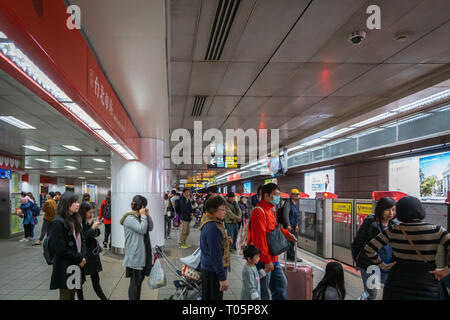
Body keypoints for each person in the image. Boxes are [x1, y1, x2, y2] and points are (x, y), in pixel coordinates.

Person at [365, 196, 450, 300]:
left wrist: (382, 265)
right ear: (420, 209)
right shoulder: (437, 230)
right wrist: (446, 270)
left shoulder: (392, 230)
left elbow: (369, 249)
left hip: (397, 281)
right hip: (426, 283)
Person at [247, 183, 297, 300]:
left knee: (280, 286)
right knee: (263, 293)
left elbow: (273, 229)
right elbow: (260, 238)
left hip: (273, 258)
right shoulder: (258, 211)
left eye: (279, 195)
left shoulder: (269, 210)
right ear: (266, 195)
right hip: (263, 260)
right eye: (275, 195)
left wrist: (286, 234)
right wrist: (266, 261)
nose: (277, 198)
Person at [351, 197, 397, 300]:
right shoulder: (370, 223)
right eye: (387, 210)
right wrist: (358, 261)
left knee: (389, 291)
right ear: (380, 210)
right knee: (370, 294)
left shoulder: (394, 226)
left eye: (393, 210)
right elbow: (357, 243)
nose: (391, 213)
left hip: (388, 266)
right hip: (370, 266)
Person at [49, 192, 87, 300]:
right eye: (74, 202)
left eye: (77, 201)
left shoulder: (74, 220)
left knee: (72, 294)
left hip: (76, 264)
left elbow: (82, 240)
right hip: (65, 265)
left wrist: (83, 256)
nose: (77, 204)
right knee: (66, 295)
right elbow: (60, 249)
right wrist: (80, 258)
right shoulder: (58, 223)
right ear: (66, 204)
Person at [120, 195, 153, 300]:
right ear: (142, 206)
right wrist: (143, 216)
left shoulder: (140, 217)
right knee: (135, 282)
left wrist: (147, 215)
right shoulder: (129, 218)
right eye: (145, 207)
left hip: (143, 255)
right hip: (135, 256)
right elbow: (142, 229)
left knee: (139, 282)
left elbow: (150, 227)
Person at [199, 196, 230, 300]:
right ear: (213, 210)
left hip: (208, 267)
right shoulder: (213, 227)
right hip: (214, 271)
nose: (225, 212)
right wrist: (222, 278)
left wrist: (224, 240)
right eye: (222, 209)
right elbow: (216, 255)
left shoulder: (207, 220)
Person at [76, 201, 108, 300]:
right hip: (83, 255)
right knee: (79, 282)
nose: (91, 215)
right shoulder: (78, 223)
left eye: (92, 212)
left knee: (96, 280)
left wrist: (94, 227)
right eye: (90, 212)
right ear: (83, 211)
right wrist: (92, 228)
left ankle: (104, 298)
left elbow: (97, 233)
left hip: (92, 255)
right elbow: (83, 238)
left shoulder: (88, 221)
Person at [281, 189, 303, 262]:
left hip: (293, 225)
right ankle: (291, 256)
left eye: (298, 194)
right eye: (296, 194)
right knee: (290, 241)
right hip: (289, 226)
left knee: (292, 241)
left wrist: (296, 225)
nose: (297, 196)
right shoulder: (288, 203)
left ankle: (289, 255)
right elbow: (286, 214)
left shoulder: (295, 203)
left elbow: (296, 215)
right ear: (292, 195)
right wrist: (288, 224)